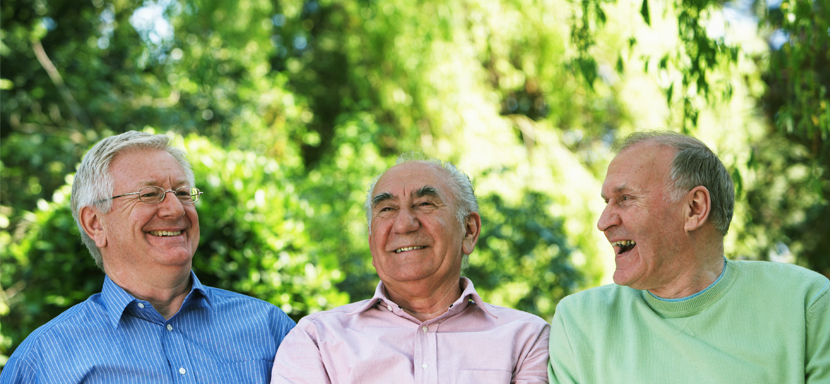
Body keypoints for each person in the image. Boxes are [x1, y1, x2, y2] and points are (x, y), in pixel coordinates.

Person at [1, 131, 296, 384]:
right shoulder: (44, 361)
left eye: (183, 193)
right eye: (150, 194)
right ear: (95, 223)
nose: (176, 209)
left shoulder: (269, 329)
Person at [548, 131, 830, 383]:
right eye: (606, 202)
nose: (603, 222)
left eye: (625, 198)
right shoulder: (579, 322)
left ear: (694, 208)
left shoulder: (806, 302)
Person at [272, 153, 550, 384]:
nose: (404, 225)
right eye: (387, 209)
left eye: (425, 204)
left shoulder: (526, 339)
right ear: (372, 242)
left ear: (469, 230)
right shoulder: (317, 339)